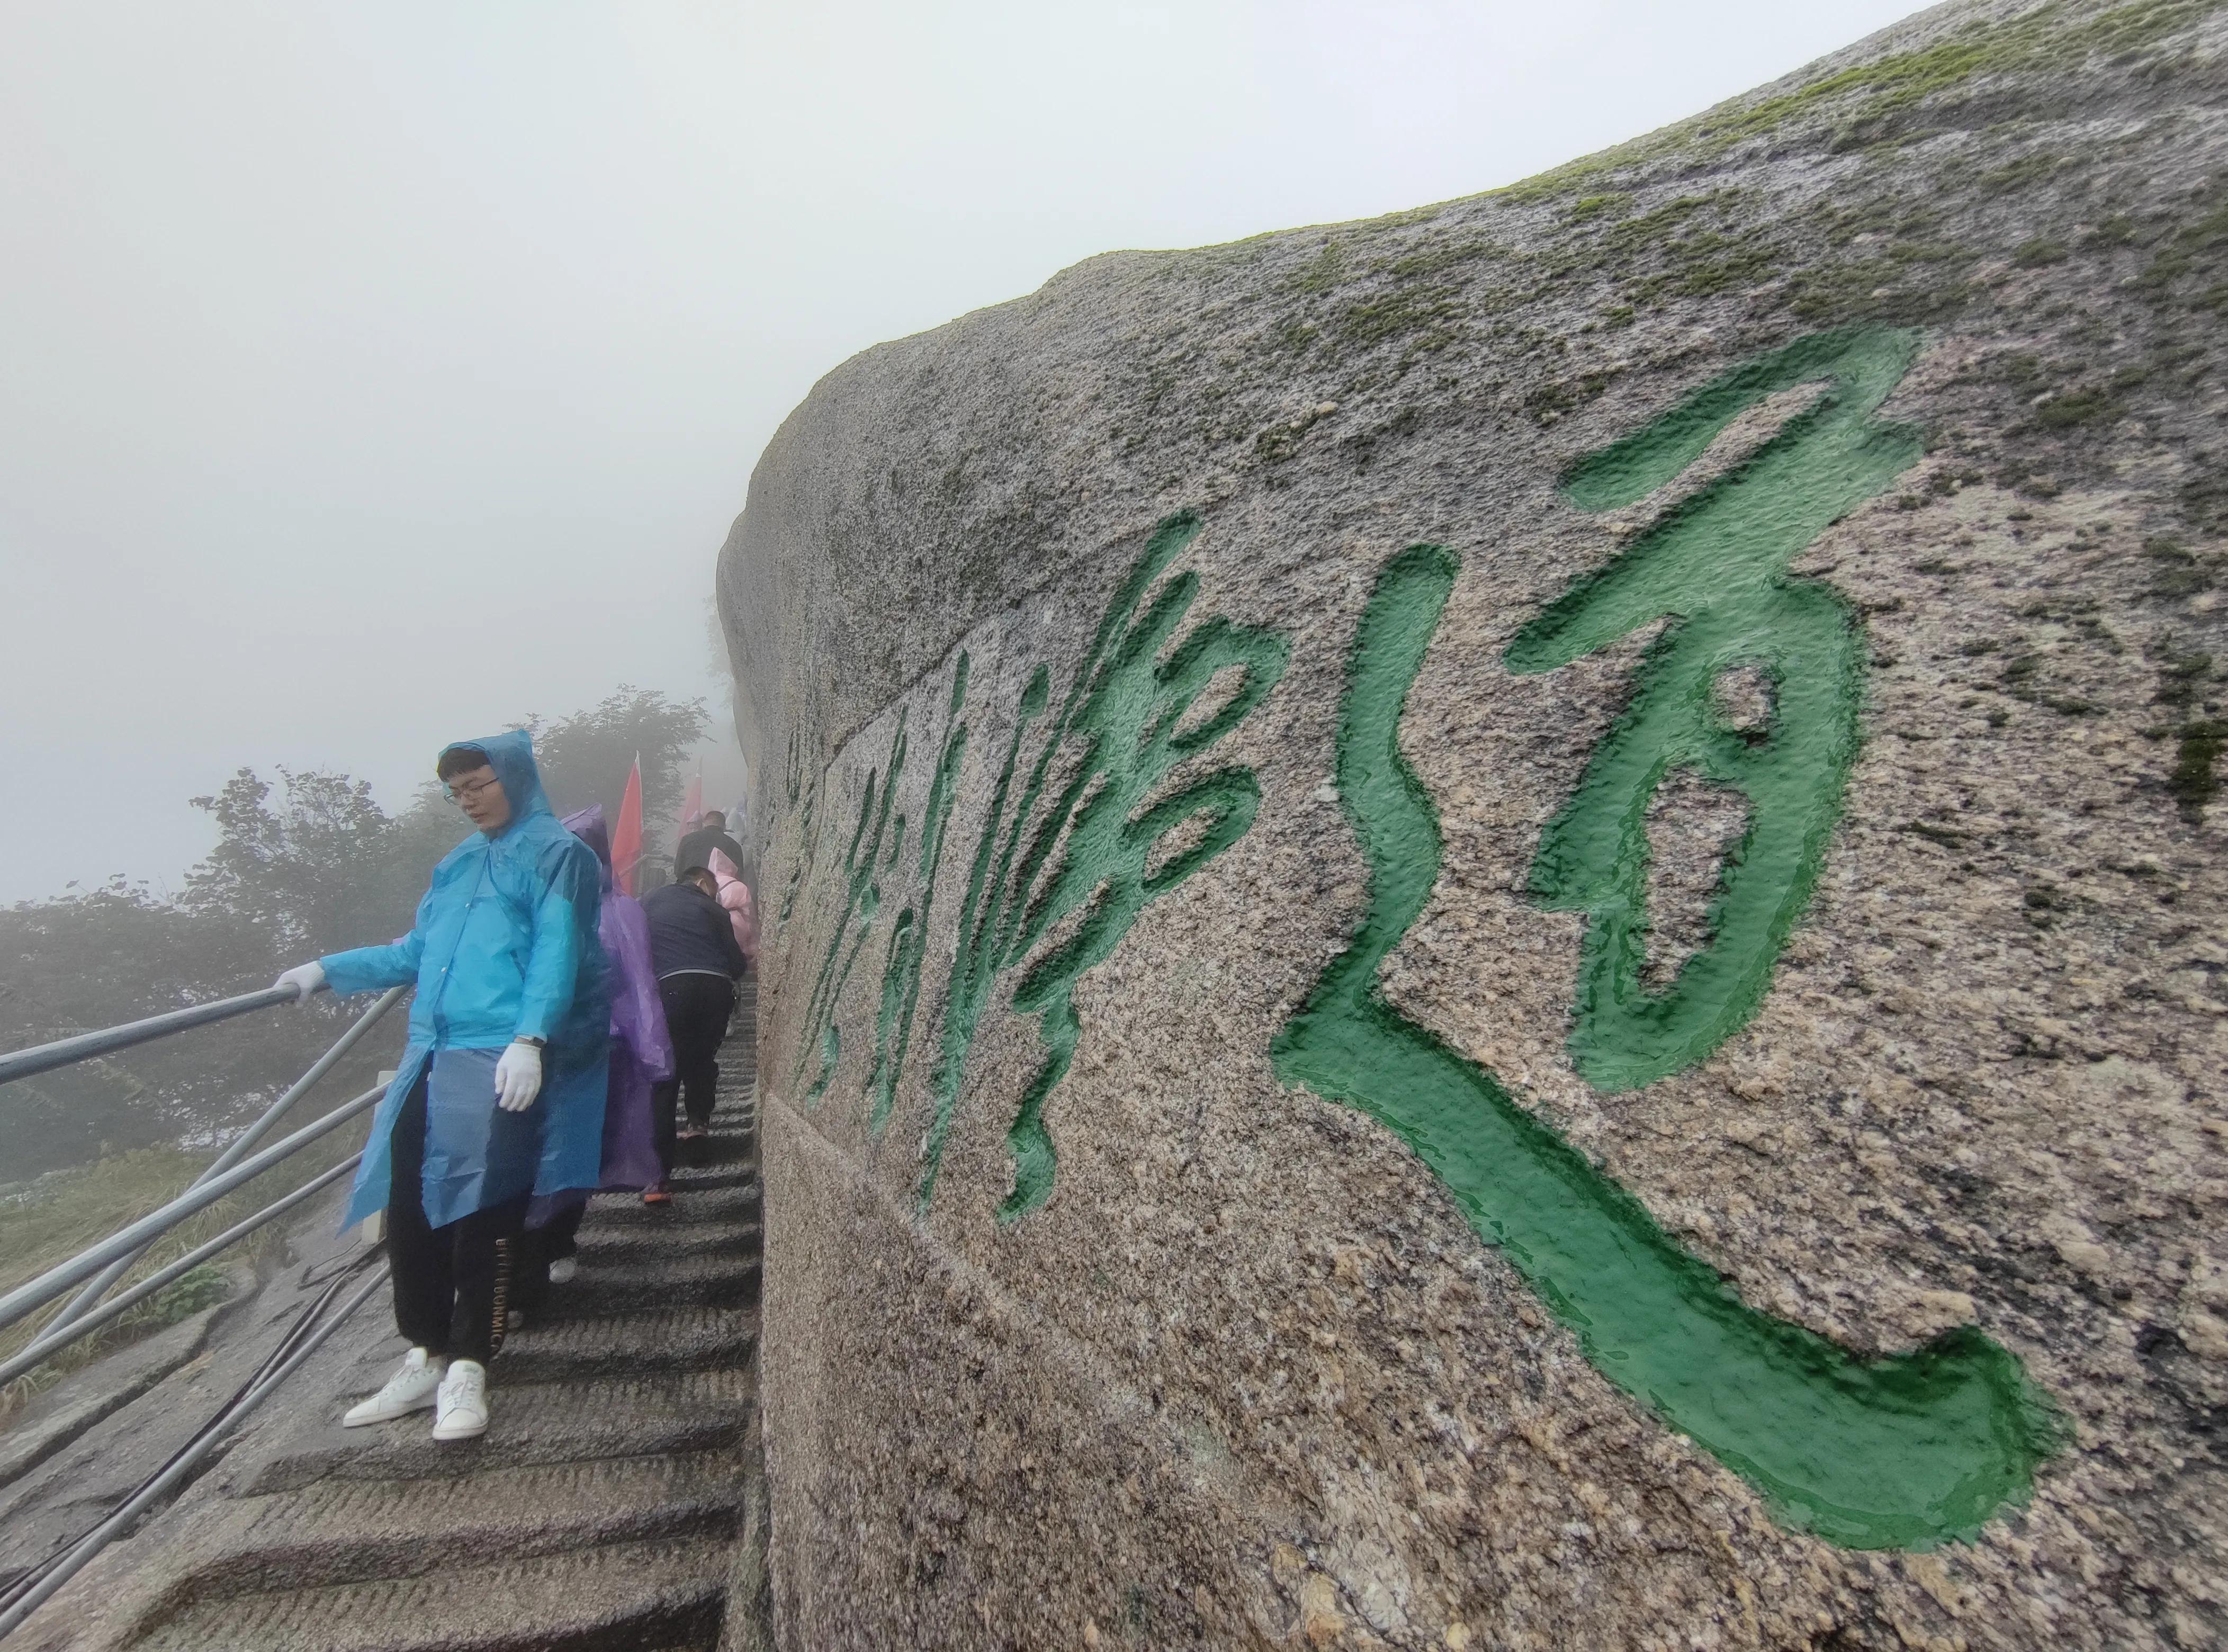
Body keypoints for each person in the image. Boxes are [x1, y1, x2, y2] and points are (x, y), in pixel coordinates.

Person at [273, 732, 607, 1442]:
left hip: (499, 1054)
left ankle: (469, 1365)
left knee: (484, 1206)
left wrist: (531, 1036)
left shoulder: (557, 855)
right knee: (408, 1204)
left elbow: (560, 947)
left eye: (480, 784)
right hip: (431, 1053)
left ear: (513, 777)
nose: (469, 801)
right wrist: (326, 970)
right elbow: (414, 953)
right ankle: (424, 1350)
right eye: (457, 791)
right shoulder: (457, 865)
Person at [516, 806, 672, 1316]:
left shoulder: (618, 910)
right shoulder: (549, 909)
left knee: (574, 1148)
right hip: (543, 1049)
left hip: (597, 1051)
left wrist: (652, 1049)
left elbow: (640, 983)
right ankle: (534, 1255)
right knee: (538, 1152)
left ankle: (556, 1243)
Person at [639, 861, 746, 1199]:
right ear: (702, 883)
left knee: (666, 1072)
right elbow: (737, 963)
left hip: (670, 988)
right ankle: (697, 1125)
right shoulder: (712, 908)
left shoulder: (649, 902)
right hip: (714, 989)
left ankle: (658, 1177)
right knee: (701, 1060)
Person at [707, 846, 758, 971]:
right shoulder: (738, 885)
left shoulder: (707, 885)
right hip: (737, 925)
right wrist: (754, 945)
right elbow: (749, 914)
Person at [673, 810, 745, 894]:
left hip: (689, 892)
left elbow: (678, 871)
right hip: (721, 896)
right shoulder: (734, 845)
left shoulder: (687, 840)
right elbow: (739, 876)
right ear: (724, 827)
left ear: (704, 824)